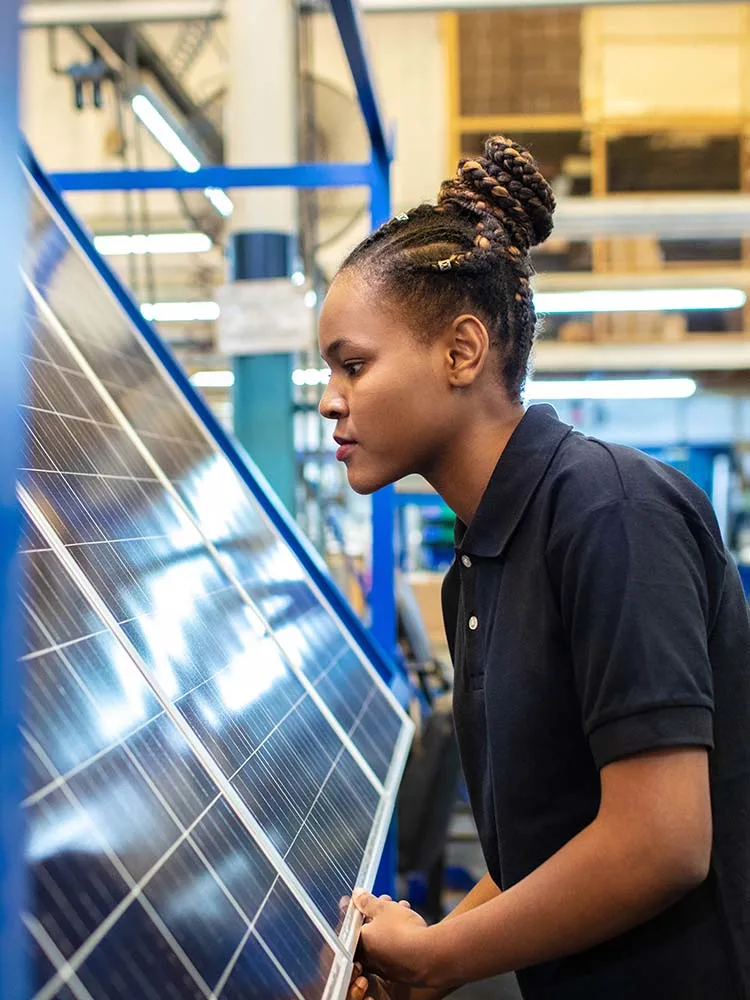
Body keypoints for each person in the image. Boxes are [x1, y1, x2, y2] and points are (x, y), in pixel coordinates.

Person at [317, 136, 750, 1000]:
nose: (331, 398)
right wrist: (428, 958)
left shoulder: (610, 512)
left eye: (353, 365)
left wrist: (441, 957)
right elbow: (541, 851)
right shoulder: (479, 564)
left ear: (462, 352)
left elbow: (663, 841)